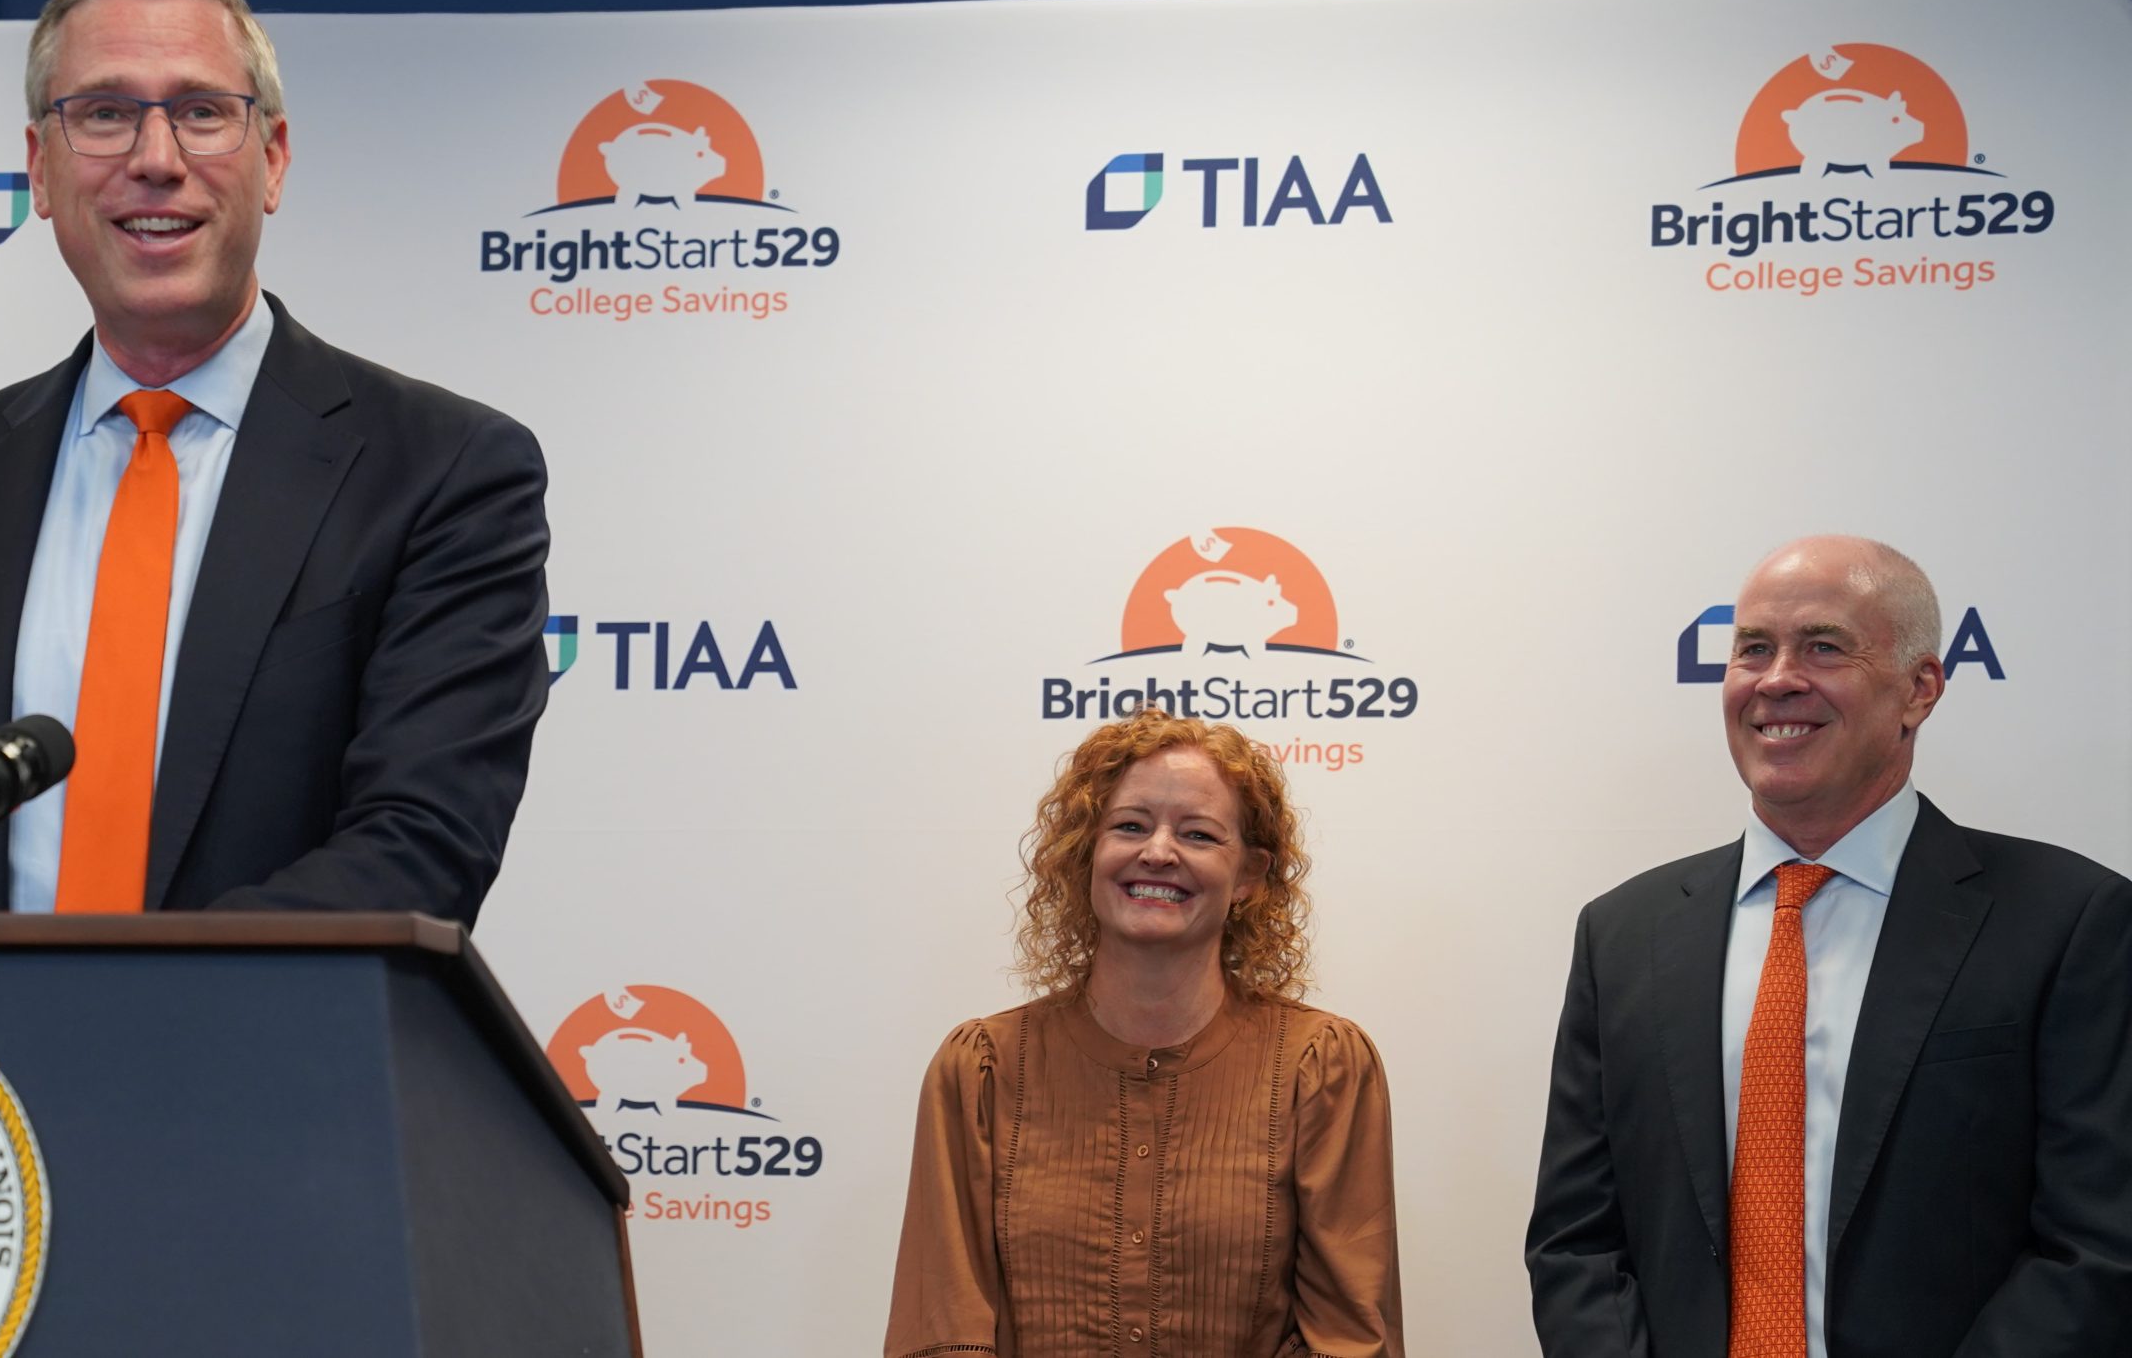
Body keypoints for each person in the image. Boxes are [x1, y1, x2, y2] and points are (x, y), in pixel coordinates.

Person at [0, 0, 548, 918]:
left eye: (201, 112)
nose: (156, 158)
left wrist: (140, 998)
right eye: (104, 114)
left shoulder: (442, 472)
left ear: (273, 159)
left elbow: (417, 850)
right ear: (40, 169)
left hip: (262, 1023)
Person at [1525, 535, 2132, 1357]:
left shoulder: (2068, 920)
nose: (1777, 678)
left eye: (1823, 646)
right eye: (1753, 648)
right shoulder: (1622, 934)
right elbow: (1577, 1243)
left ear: (1920, 688)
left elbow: (2097, 1247)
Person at [886, 708, 1403, 1357]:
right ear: (1086, 852)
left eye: (1198, 834)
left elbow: (1348, 1339)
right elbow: (941, 1334)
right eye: (1130, 825)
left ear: (1249, 875)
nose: (1158, 852)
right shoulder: (981, 1069)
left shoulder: (1319, 1068)